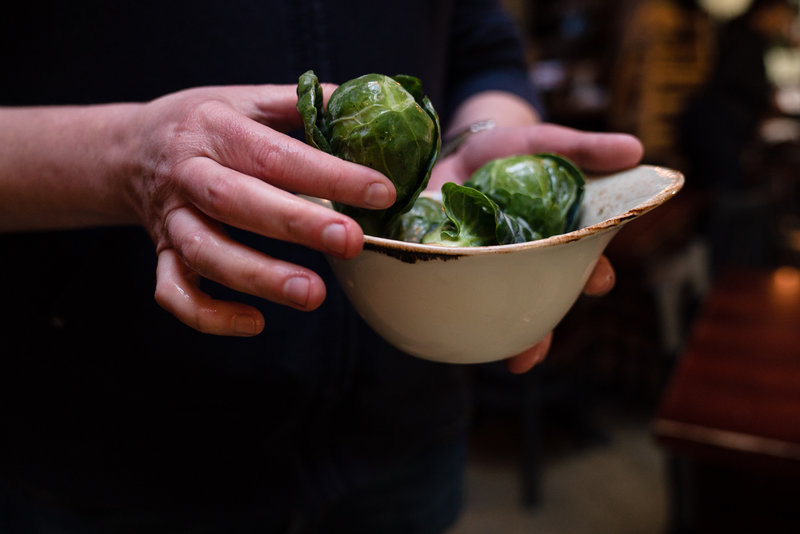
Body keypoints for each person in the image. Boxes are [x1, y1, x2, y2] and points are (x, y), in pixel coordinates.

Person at [0, 1, 642, 532]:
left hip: (403, 437)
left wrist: (488, 136)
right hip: (113, 456)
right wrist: (122, 157)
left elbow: (481, 42)